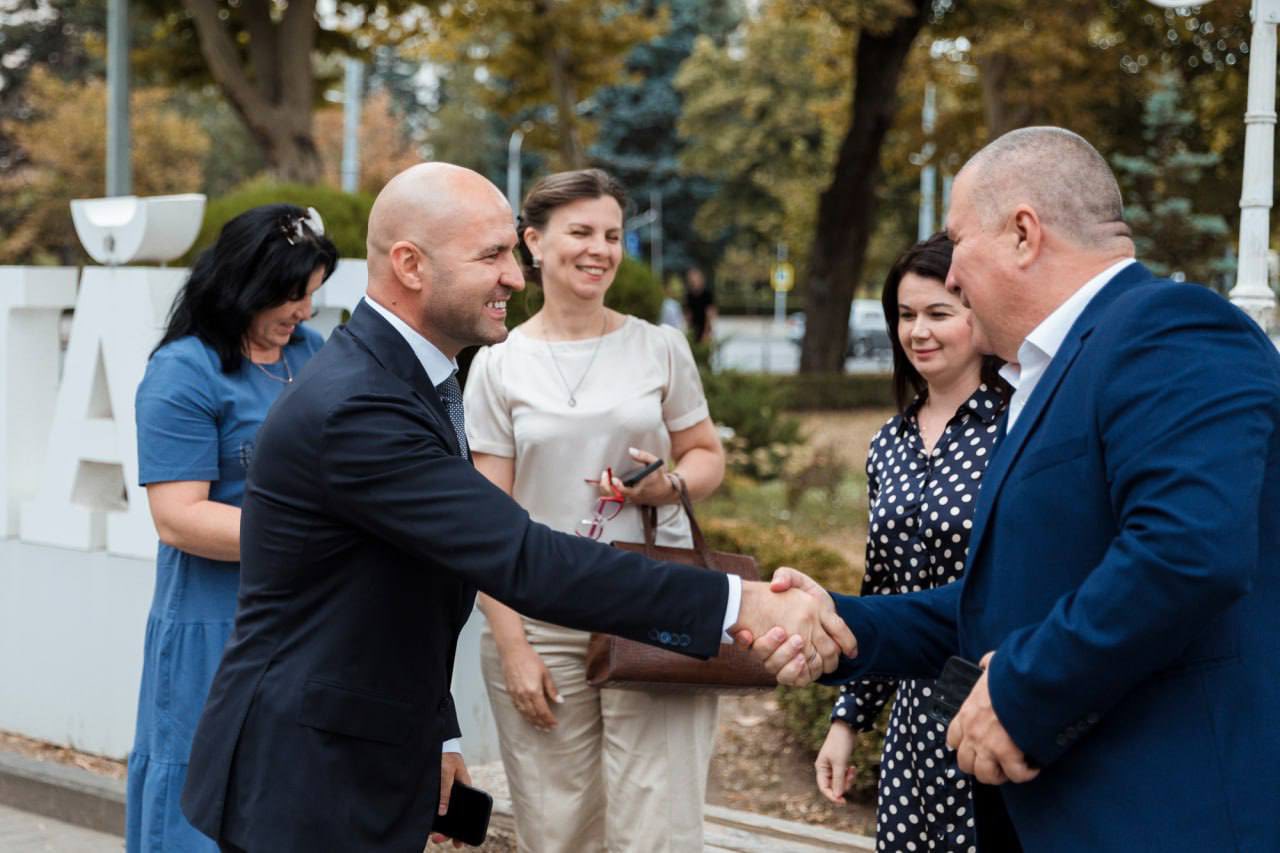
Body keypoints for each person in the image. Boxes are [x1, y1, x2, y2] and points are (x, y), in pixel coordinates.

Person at [179, 162, 854, 852]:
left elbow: (403, 591)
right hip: (309, 775)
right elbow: (524, 559)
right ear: (410, 265)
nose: (515, 277)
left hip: (354, 747)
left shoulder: (407, 374)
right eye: (492, 255)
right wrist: (740, 603)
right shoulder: (360, 405)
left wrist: (436, 733)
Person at [750, 127, 1280, 851]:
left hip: (1170, 814)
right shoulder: (1042, 377)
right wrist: (842, 625)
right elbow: (1003, 601)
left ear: (1023, 234)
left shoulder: (1170, 327)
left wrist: (1024, 689)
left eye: (958, 242)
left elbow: (1188, 551)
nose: (952, 278)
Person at [465, 168, 727, 852]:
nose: (600, 249)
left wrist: (667, 486)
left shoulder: (659, 346)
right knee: (558, 829)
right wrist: (513, 646)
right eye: (581, 232)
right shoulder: (497, 364)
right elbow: (486, 519)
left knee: (658, 829)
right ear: (533, 242)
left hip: (654, 604)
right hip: (541, 617)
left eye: (612, 235)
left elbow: (706, 454)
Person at [125, 204, 337, 852]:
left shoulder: (311, 353)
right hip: (217, 622)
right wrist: (317, 539)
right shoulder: (183, 371)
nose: (305, 311)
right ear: (247, 284)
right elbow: (179, 517)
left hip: (309, 618)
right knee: (203, 798)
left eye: (313, 294)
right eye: (293, 296)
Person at [813, 233, 1007, 853]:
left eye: (938, 313)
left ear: (978, 315)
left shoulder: (1020, 428)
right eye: (905, 315)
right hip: (911, 720)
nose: (918, 331)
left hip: (992, 705)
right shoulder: (887, 445)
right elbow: (883, 591)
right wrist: (848, 720)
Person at [683, 266, 716, 343]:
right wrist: (689, 330)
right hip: (693, 329)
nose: (694, 282)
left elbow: (710, 313)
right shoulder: (689, 295)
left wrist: (706, 332)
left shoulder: (707, 294)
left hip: (705, 328)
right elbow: (688, 314)